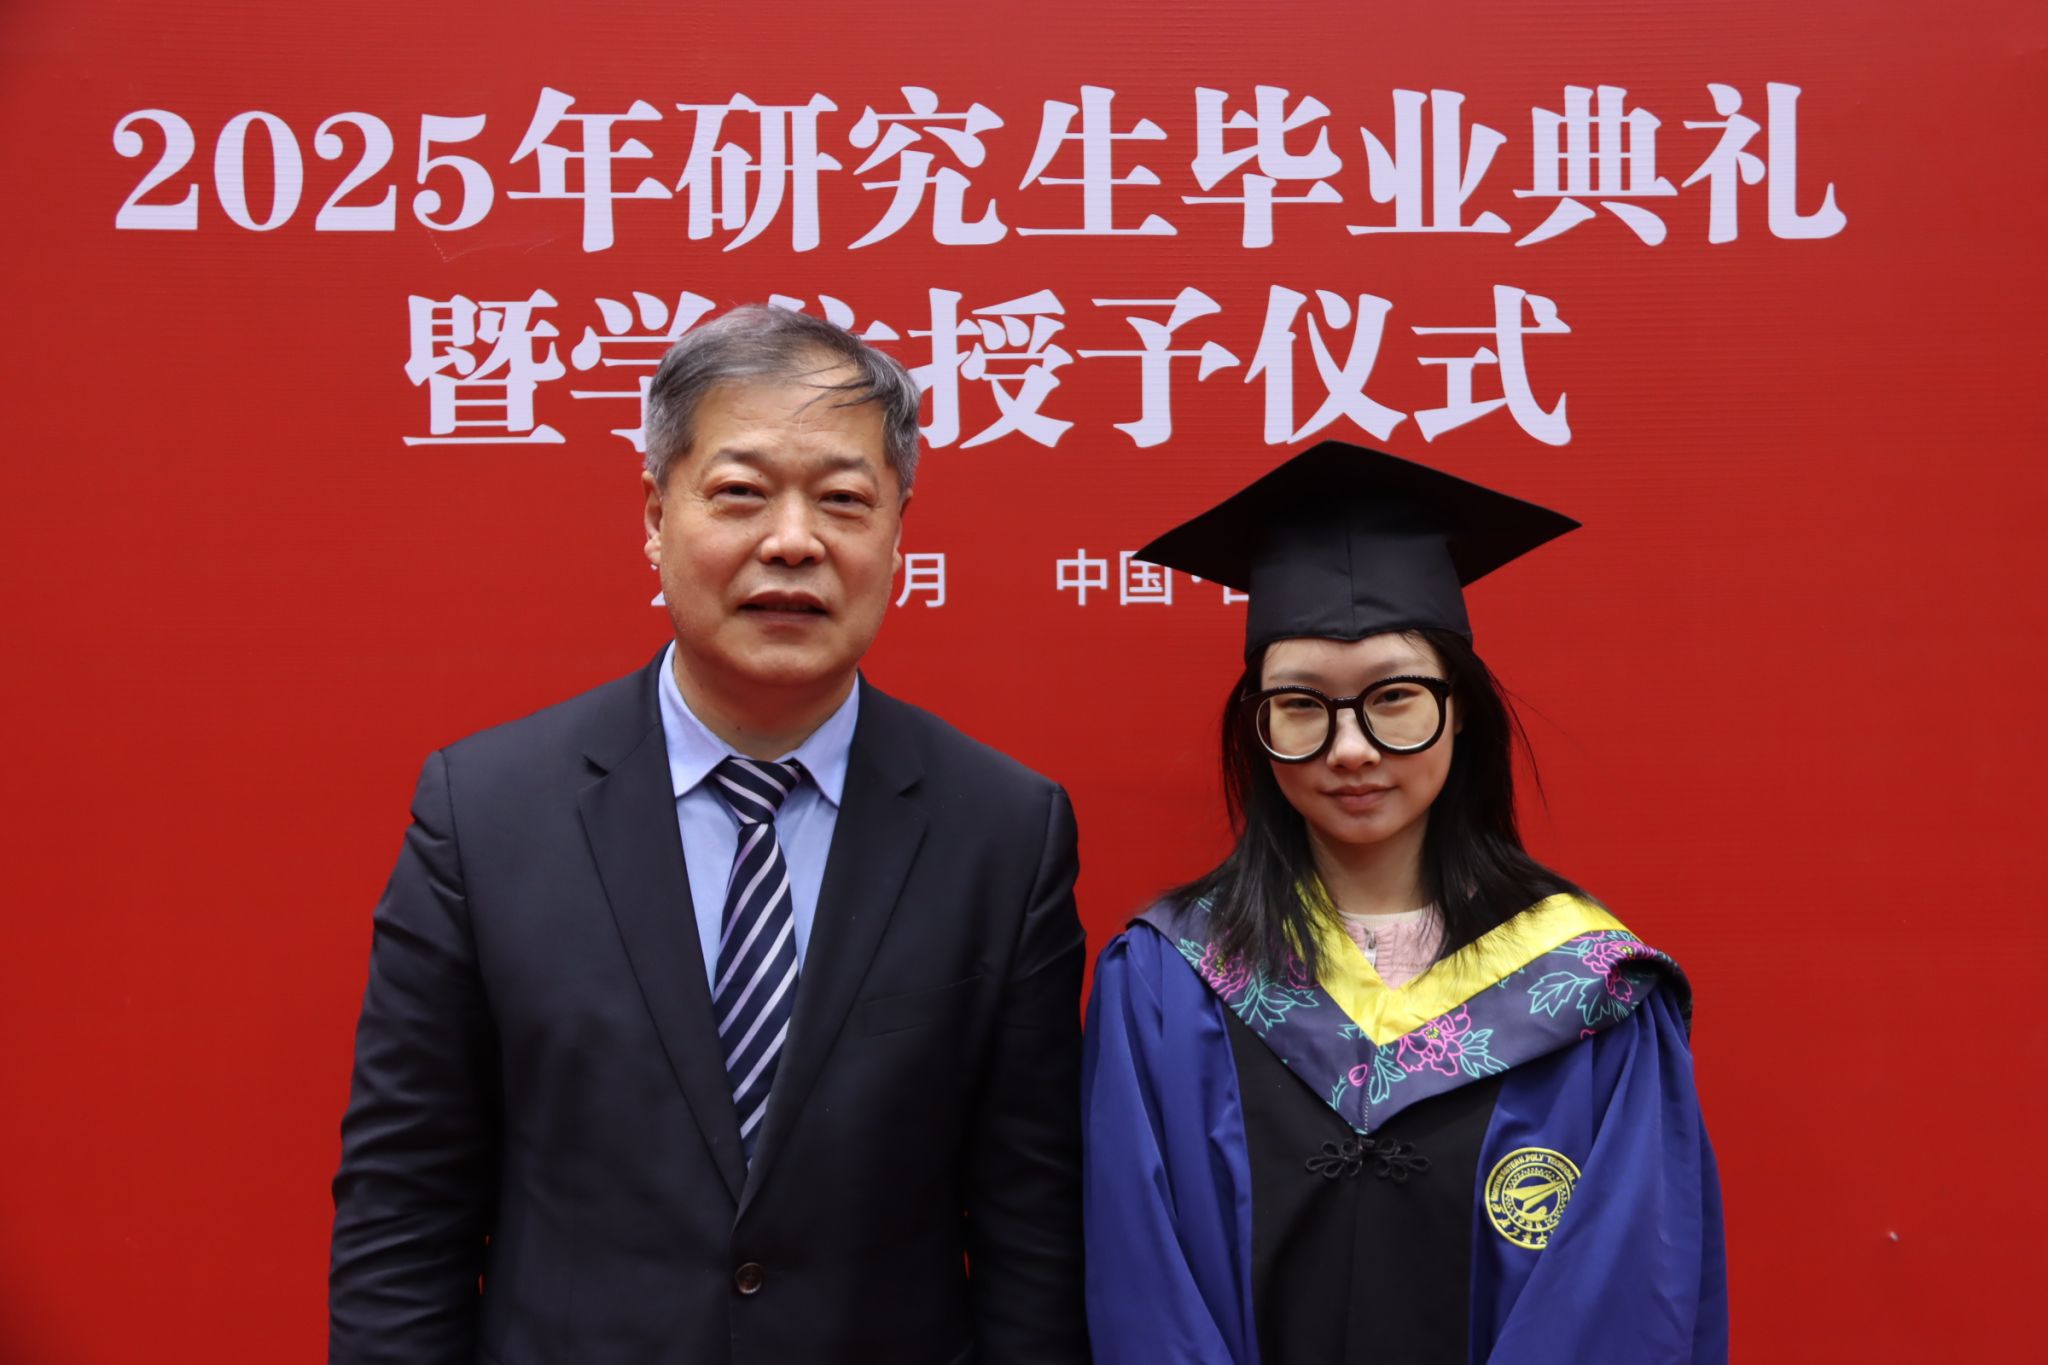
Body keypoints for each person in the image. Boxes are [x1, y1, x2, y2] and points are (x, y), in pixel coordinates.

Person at [329, 305, 1090, 1364]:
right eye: (740, 493)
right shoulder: (486, 812)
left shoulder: (1003, 832)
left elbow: (1032, 1230)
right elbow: (405, 1208)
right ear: (655, 513)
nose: (793, 541)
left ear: (897, 531)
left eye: (844, 500)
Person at [1082, 441, 1727, 1364]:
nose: (1351, 748)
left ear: (1460, 707)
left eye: (1394, 696)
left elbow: (1621, 1296)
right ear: (1257, 726)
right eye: (1302, 703)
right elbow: (1143, 1285)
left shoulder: (1595, 990)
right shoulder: (1168, 978)